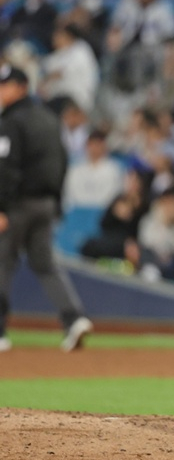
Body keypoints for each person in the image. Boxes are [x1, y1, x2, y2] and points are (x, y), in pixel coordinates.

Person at [0, 64, 93, 352]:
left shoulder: (11, 121)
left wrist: (1, 207)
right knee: (45, 264)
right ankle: (74, 318)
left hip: (17, 204)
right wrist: (55, 203)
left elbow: (6, 167)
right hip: (46, 203)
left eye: (5, 85)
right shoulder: (49, 118)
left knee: (2, 262)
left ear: (20, 87)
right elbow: (62, 162)